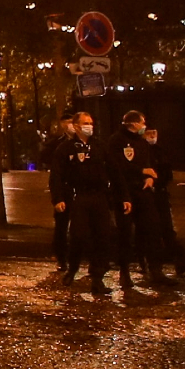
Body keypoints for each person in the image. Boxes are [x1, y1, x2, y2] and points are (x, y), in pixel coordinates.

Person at [50, 111, 119, 296]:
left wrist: (123, 197)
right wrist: (58, 199)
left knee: (103, 237)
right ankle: (73, 267)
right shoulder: (65, 149)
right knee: (79, 236)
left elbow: (114, 172)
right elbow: (56, 176)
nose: (90, 126)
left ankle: (97, 278)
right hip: (78, 196)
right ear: (77, 126)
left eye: (91, 122)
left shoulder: (99, 146)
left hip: (99, 197)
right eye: (86, 123)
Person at [110, 110, 162, 287]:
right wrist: (141, 171)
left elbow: (149, 163)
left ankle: (156, 270)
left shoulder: (141, 142)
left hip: (143, 191)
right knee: (125, 234)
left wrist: (150, 177)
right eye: (142, 123)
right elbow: (117, 166)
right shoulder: (116, 141)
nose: (144, 126)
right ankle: (124, 272)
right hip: (125, 193)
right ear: (133, 124)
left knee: (152, 229)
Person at [143, 124, 185, 277]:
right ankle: (153, 265)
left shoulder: (159, 151)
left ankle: (179, 260)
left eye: (154, 133)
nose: (152, 136)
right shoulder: (141, 151)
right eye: (149, 133)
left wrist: (159, 181)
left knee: (167, 230)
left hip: (161, 194)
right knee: (151, 231)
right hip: (148, 195)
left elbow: (167, 173)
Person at [41, 117, 77, 272]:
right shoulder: (59, 144)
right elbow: (53, 170)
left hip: (80, 190)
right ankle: (61, 255)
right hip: (65, 188)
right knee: (61, 224)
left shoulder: (89, 144)